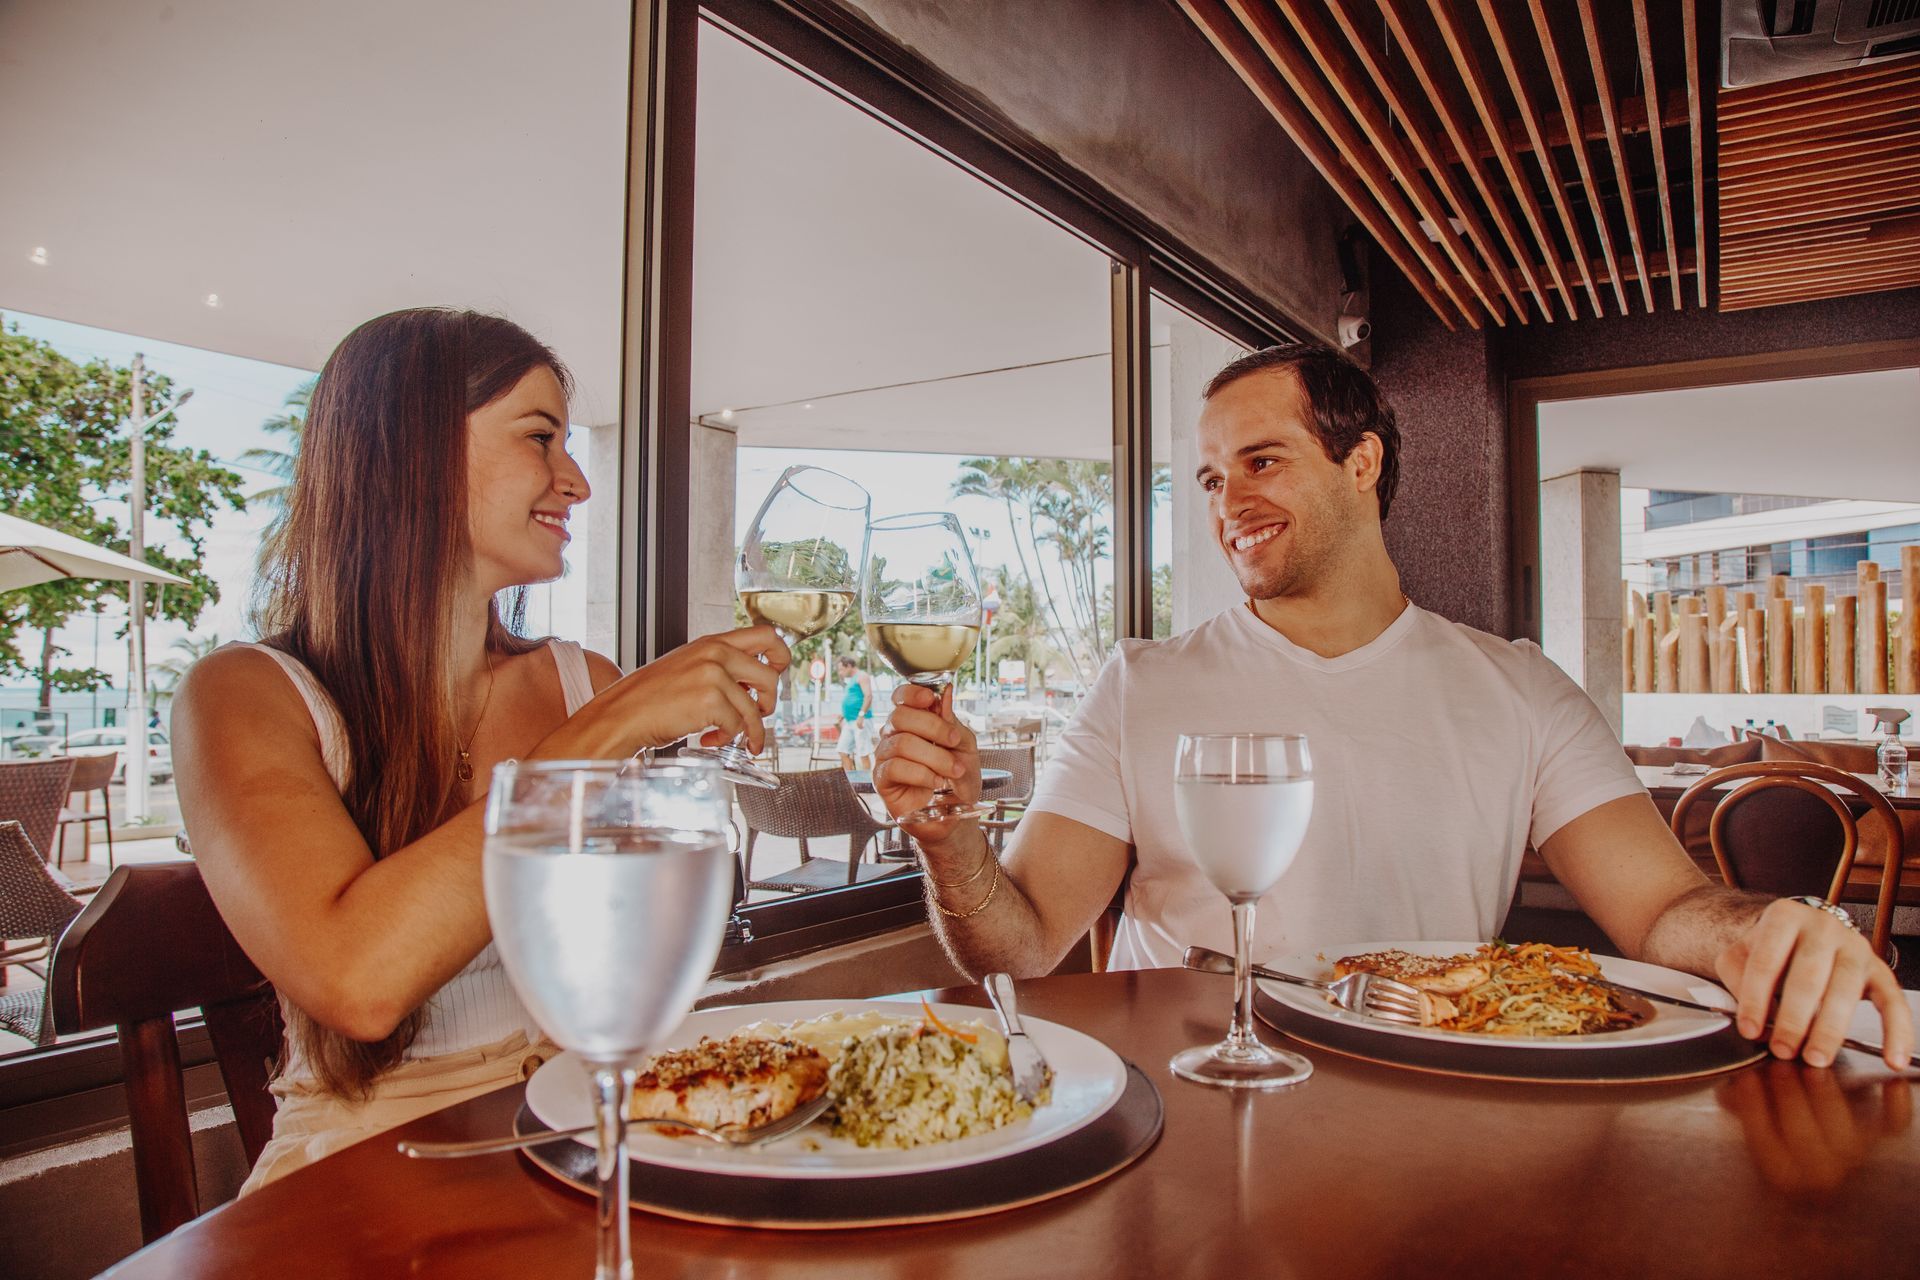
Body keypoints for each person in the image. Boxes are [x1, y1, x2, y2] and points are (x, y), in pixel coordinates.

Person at [874, 343, 1912, 1071]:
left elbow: (1662, 908)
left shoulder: (1520, 688)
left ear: (1361, 461)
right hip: (1188, 1111)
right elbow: (1021, 944)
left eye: (1262, 460)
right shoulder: (1138, 684)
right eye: (1211, 477)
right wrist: (948, 839)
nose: (1229, 503)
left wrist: (1763, 932)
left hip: (1433, 1110)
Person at [172, 309, 790, 1189]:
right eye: (540, 438)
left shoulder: (582, 682)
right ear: (410, 452)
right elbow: (359, 981)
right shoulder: (244, 695)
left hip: (578, 1132)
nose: (576, 481)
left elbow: (635, 964)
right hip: (367, 1171)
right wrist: (610, 729)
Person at [836, 654, 875, 772]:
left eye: (842, 669)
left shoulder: (862, 676)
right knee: (842, 751)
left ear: (849, 666)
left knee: (863, 752)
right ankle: (851, 779)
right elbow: (854, 699)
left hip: (861, 720)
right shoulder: (851, 680)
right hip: (849, 721)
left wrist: (861, 715)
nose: (840, 673)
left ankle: (866, 779)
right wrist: (843, 714)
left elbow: (868, 696)